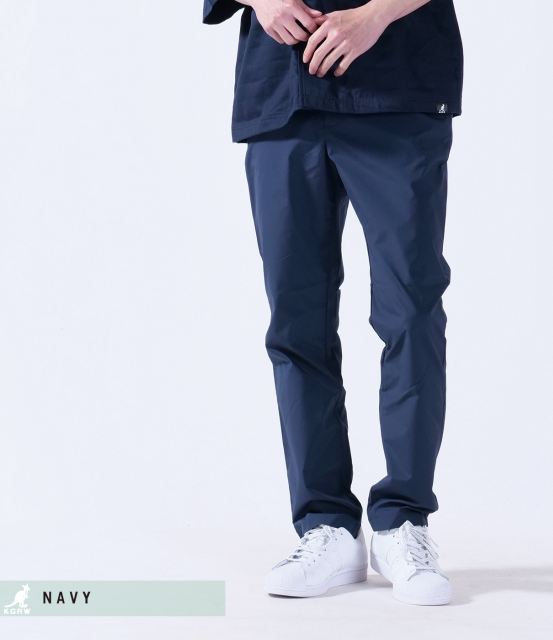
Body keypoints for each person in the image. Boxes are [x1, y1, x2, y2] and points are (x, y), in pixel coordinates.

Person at [203, 0, 463, 606]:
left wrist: (377, 14)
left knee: (411, 311)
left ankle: (403, 521)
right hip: (284, 93)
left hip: (398, 87)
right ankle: (326, 527)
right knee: (296, 323)